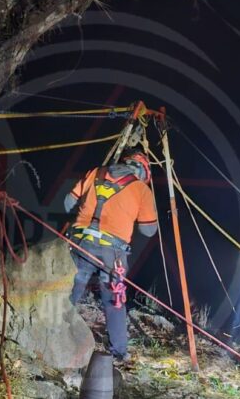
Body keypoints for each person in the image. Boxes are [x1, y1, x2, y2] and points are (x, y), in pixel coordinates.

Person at [65, 149, 158, 362]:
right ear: (143, 172)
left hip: (81, 244)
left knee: (71, 292)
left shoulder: (96, 173)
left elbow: (68, 203)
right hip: (112, 255)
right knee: (114, 300)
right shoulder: (141, 189)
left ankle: (53, 333)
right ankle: (119, 351)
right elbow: (148, 230)